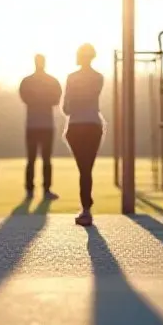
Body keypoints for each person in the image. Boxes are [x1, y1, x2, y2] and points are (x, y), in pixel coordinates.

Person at [63, 43, 104, 227]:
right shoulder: (98, 77)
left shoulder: (71, 78)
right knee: (87, 168)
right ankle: (86, 207)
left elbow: (66, 108)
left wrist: (74, 100)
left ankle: (86, 208)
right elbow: (91, 96)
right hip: (93, 124)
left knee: (84, 169)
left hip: (76, 126)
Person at [19, 54, 62, 200]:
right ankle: (40, 190)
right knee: (39, 159)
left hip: (37, 124)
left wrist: (37, 99)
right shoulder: (51, 81)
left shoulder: (28, 81)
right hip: (42, 125)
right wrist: (44, 99)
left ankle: (36, 190)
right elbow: (55, 99)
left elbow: (56, 99)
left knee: (38, 159)